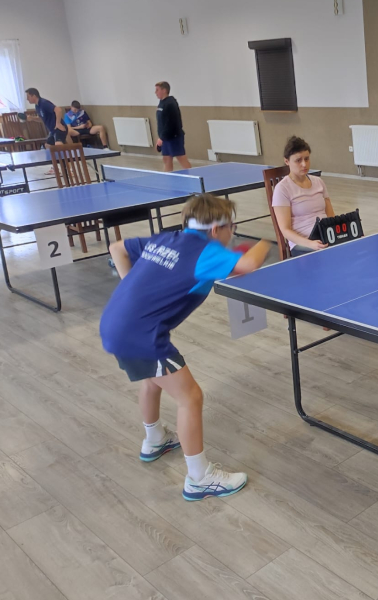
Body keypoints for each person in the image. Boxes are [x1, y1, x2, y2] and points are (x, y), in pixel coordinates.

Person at [100, 194, 271, 500]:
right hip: (141, 334)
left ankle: (155, 439)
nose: (232, 233)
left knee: (152, 380)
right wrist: (266, 241)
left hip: (115, 322)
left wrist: (132, 292)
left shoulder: (166, 239)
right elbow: (248, 263)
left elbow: (117, 248)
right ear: (216, 229)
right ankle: (199, 478)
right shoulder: (207, 251)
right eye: (232, 227)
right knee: (190, 397)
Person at [272, 136, 335, 254]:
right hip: (302, 244)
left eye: (307, 159)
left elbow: (331, 216)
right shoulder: (282, 189)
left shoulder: (319, 182)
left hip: (325, 237)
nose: (304, 164)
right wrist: (310, 243)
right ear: (287, 161)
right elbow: (285, 230)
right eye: (298, 160)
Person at [154, 81, 191, 171]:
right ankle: (168, 178)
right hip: (165, 138)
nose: (155, 92)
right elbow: (162, 122)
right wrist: (161, 137)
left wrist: (161, 138)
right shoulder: (161, 103)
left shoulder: (170, 103)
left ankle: (193, 176)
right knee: (166, 159)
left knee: (181, 158)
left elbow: (171, 123)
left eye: (157, 90)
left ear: (164, 90)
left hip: (174, 137)